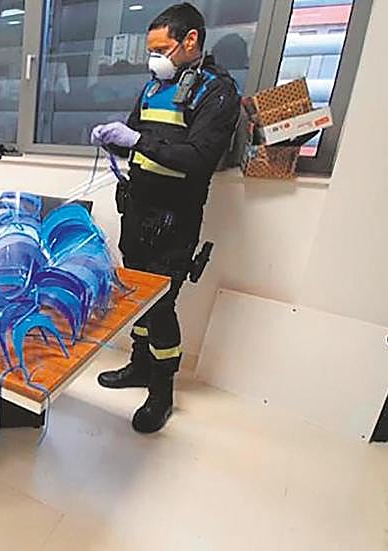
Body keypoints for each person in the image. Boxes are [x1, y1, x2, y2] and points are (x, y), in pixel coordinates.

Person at [90, 3, 240, 434]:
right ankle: (139, 365)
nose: (154, 58)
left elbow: (198, 158)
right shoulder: (154, 86)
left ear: (190, 40)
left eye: (161, 49)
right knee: (137, 294)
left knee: (161, 304)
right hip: (138, 208)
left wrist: (136, 139)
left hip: (175, 217)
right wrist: (113, 139)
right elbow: (137, 138)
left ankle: (162, 392)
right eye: (151, 50)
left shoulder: (217, 93)